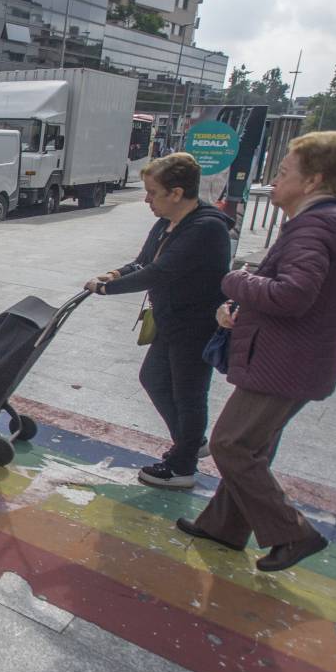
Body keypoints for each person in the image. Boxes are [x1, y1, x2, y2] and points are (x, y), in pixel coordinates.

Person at [178, 132, 336, 572]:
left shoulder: (313, 226)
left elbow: (293, 296)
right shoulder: (329, 222)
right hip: (298, 360)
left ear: (313, 182)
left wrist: (236, 280)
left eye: (284, 172)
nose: (273, 181)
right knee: (252, 446)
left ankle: (294, 534)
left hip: (283, 363)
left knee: (231, 444)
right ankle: (224, 526)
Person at [85, 153, 231, 489]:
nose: (147, 199)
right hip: (170, 320)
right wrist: (116, 272)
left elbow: (160, 272)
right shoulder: (167, 222)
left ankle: (182, 465)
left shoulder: (206, 228)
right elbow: (144, 261)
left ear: (177, 193)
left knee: (188, 393)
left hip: (195, 325)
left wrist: (108, 289)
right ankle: (190, 441)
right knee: (154, 378)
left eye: (153, 192)